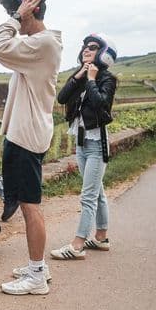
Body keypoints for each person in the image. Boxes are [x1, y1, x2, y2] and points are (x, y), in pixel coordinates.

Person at [0, 0, 62, 296]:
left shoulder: (42, 44)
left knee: (31, 206)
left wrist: (19, 18)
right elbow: (4, 48)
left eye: (11, 9)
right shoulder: (35, 45)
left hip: (27, 138)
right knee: (27, 204)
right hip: (26, 134)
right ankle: (37, 266)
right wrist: (21, 19)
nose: (9, 16)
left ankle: (36, 276)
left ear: (31, 5)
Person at [50, 33, 118, 260]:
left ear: (103, 53)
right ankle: (101, 237)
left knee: (88, 196)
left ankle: (77, 245)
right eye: (84, 47)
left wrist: (91, 79)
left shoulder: (107, 78)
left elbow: (100, 104)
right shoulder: (80, 76)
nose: (86, 50)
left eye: (92, 47)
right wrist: (80, 75)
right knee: (97, 192)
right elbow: (61, 98)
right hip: (81, 143)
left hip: (97, 145)